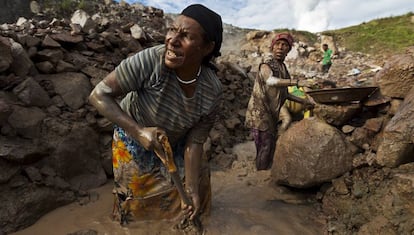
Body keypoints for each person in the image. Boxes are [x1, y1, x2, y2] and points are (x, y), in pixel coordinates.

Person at [88, 3, 223, 229]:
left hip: (178, 141)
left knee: (197, 189)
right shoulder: (151, 61)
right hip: (133, 137)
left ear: (207, 48)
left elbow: (196, 141)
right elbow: (99, 95)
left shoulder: (212, 90)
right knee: (137, 202)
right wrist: (139, 131)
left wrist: (190, 190)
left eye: (186, 36)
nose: (172, 40)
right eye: (172, 30)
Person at [245, 32, 314, 171]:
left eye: (284, 45)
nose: (280, 47)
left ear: (288, 50)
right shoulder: (267, 62)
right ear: (272, 47)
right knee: (265, 145)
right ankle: (261, 177)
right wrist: (296, 82)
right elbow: (271, 81)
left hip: (271, 113)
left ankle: (262, 168)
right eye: (277, 44)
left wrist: (302, 101)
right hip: (259, 111)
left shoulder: (283, 68)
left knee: (268, 145)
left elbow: (285, 93)